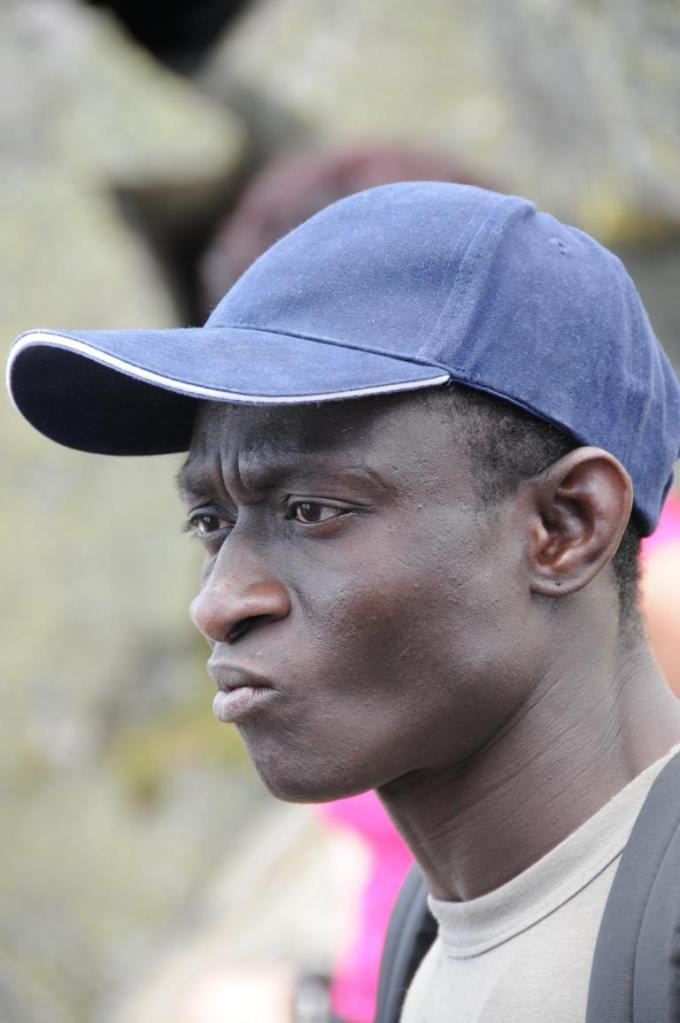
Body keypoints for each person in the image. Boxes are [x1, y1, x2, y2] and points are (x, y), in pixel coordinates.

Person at [7, 181, 680, 1021]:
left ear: (564, 526)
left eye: (312, 510)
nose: (218, 603)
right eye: (211, 522)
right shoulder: (429, 939)